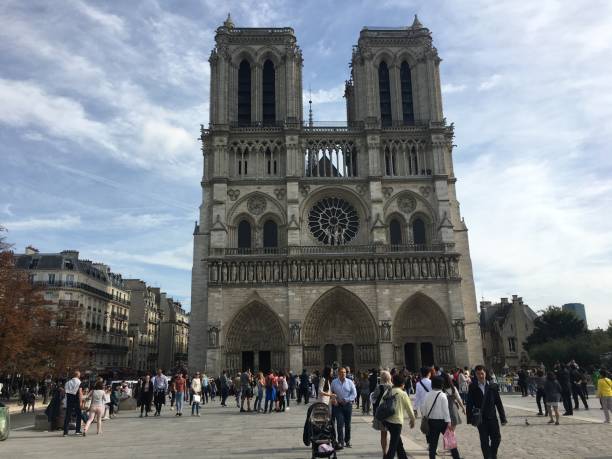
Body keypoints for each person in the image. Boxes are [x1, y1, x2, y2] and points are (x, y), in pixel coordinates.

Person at [466, 365, 507, 459]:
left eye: (482, 373)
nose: (480, 376)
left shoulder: (493, 386)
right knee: (484, 441)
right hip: (481, 419)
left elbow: (498, 403)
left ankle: (492, 454)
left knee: (497, 439)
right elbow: (469, 403)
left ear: (485, 373)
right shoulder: (472, 387)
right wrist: (470, 418)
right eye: (478, 374)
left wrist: (503, 418)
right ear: (475, 375)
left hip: (492, 417)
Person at [422, 376, 461, 459]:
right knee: (451, 442)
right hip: (443, 422)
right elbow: (445, 410)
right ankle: (456, 457)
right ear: (441, 385)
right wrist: (449, 422)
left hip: (431, 422)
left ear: (432, 385)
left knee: (433, 445)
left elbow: (423, 408)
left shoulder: (427, 395)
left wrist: (425, 417)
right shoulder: (443, 395)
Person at [380, 373, 416, 459]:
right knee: (393, 446)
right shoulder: (403, 394)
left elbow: (381, 405)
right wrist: (412, 420)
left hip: (387, 421)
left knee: (398, 443)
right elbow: (409, 409)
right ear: (402, 384)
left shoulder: (388, 391)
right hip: (397, 422)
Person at [330, 367, 357, 450]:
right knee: (339, 424)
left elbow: (354, 393)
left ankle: (347, 441)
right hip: (337, 406)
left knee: (348, 424)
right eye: (341, 372)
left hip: (347, 405)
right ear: (338, 373)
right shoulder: (334, 382)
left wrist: (347, 399)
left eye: (345, 372)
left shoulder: (350, 382)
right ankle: (340, 442)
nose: (343, 374)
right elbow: (331, 392)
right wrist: (333, 399)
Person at [371, 370, 392, 456]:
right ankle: (393, 451)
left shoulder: (379, 387)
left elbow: (373, 398)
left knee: (383, 434)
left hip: (382, 414)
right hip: (392, 414)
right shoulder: (393, 387)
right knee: (394, 434)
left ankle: (384, 453)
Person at [63, 370, 83, 437]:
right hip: (76, 400)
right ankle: (77, 430)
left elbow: (65, 392)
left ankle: (65, 432)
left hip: (69, 400)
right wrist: (81, 402)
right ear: (78, 375)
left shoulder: (67, 382)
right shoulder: (79, 382)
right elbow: (80, 393)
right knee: (78, 415)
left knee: (68, 416)